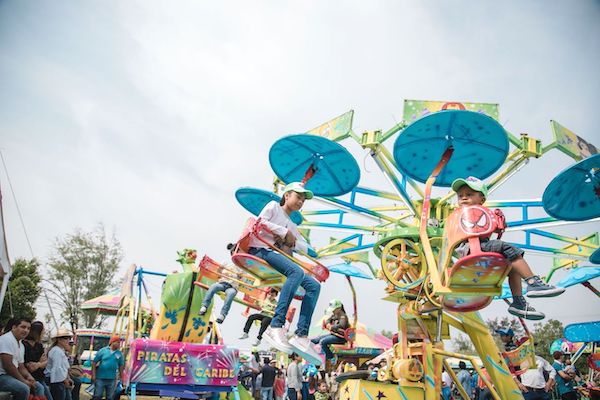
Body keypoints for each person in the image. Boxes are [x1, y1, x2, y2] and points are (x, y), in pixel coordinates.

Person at [451, 177, 565, 319]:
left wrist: (498, 220)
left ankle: (518, 302)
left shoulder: (478, 213)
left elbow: (492, 228)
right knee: (510, 250)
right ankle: (532, 281)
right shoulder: (461, 214)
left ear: (482, 199)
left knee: (512, 266)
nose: (464, 198)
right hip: (471, 247)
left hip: (479, 247)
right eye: (460, 196)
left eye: (469, 194)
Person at [247, 182, 322, 364]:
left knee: (314, 285)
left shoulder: (292, 224)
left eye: (303, 200)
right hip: (260, 250)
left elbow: (300, 244)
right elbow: (260, 222)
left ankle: (301, 334)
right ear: (287, 195)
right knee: (296, 272)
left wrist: (313, 251)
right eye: (298, 197)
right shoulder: (274, 207)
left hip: (274, 255)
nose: (301, 201)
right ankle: (276, 325)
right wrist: (283, 232)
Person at [0, 317, 45, 400]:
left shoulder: (21, 344)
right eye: (23, 327)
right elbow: (8, 365)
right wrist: (23, 380)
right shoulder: (6, 339)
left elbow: (21, 366)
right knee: (23, 389)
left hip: (11, 375)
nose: (26, 330)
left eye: (28, 328)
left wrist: (29, 377)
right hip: (2, 376)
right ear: (14, 327)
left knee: (39, 387)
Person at [199, 243, 241, 324]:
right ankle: (204, 306)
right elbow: (218, 272)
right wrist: (221, 269)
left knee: (231, 294)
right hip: (222, 283)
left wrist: (239, 275)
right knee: (213, 287)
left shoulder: (241, 266)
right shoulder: (226, 262)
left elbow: (242, 278)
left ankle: (222, 315)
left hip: (232, 287)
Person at [311, 300, 349, 369]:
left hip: (340, 338)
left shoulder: (343, 316)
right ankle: (313, 355)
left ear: (339, 308)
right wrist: (328, 324)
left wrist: (332, 327)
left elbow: (342, 325)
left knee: (322, 341)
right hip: (333, 335)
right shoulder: (334, 315)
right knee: (314, 340)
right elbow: (328, 320)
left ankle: (331, 357)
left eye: (334, 309)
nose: (333, 311)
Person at [23, 321, 52, 400]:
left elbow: (45, 361)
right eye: (43, 332)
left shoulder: (39, 345)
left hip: (40, 376)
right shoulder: (24, 345)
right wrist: (40, 363)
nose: (44, 334)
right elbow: (29, 366)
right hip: (29, 377)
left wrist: (38, 364)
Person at [91, 336, 124, 400]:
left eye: (119, 343)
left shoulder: (119, 354)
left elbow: (121, 366)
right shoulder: (103, 351)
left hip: (112, 379)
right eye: (117, 342)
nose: (119, 344)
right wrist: (93, 375)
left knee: (110, 397)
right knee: (97, 395)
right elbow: (94, 362)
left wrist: (121, 378)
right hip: (100, 378)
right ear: (112, 342)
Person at [45, 329, 74, 400]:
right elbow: (57, 368)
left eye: (69, 338)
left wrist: (68, 378)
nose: (68, 340)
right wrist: (65, 380)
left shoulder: (61, 350)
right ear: (59, 340)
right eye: (66, 338)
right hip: (56, 380)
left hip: (61, 380)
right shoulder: (56, 351)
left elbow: (64, 368)